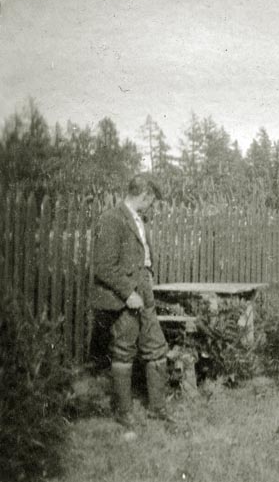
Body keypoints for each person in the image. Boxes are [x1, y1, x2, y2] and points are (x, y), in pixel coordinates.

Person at [90, 174, 173, 429]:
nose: (152, 206)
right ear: (145, 195)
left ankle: (157, 408)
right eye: (152, 201)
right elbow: (103, 266)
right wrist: (128, 293)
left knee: (156, 346)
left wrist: (146, 281)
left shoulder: (138, 219)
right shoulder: (111, 219)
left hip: (144, 289)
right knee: (124, 349)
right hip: (124, 297)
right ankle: (124, 412)